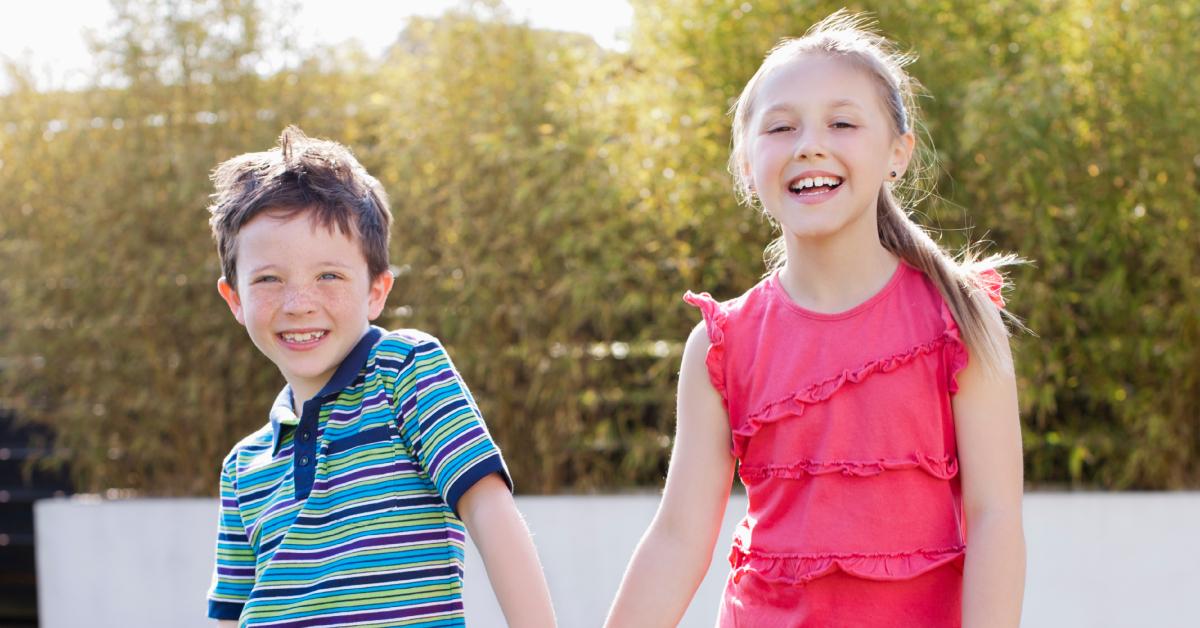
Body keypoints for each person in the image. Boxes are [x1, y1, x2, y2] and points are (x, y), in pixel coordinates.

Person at [606, 11, 1025, 627]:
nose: (809, 144)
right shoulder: (720, 347)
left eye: (842, 122)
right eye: (780, 126)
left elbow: (996, 521)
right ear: (748, 165)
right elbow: (677, 539)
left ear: (897, 154)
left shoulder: (959, 320)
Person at [204, 126, 556, 627]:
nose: (299, 303)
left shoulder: (405, 371)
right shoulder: (243, 467)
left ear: (376, 291)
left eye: (329, 275)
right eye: (268, 279)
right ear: (234, 299)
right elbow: (231, 615)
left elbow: (488, 509)